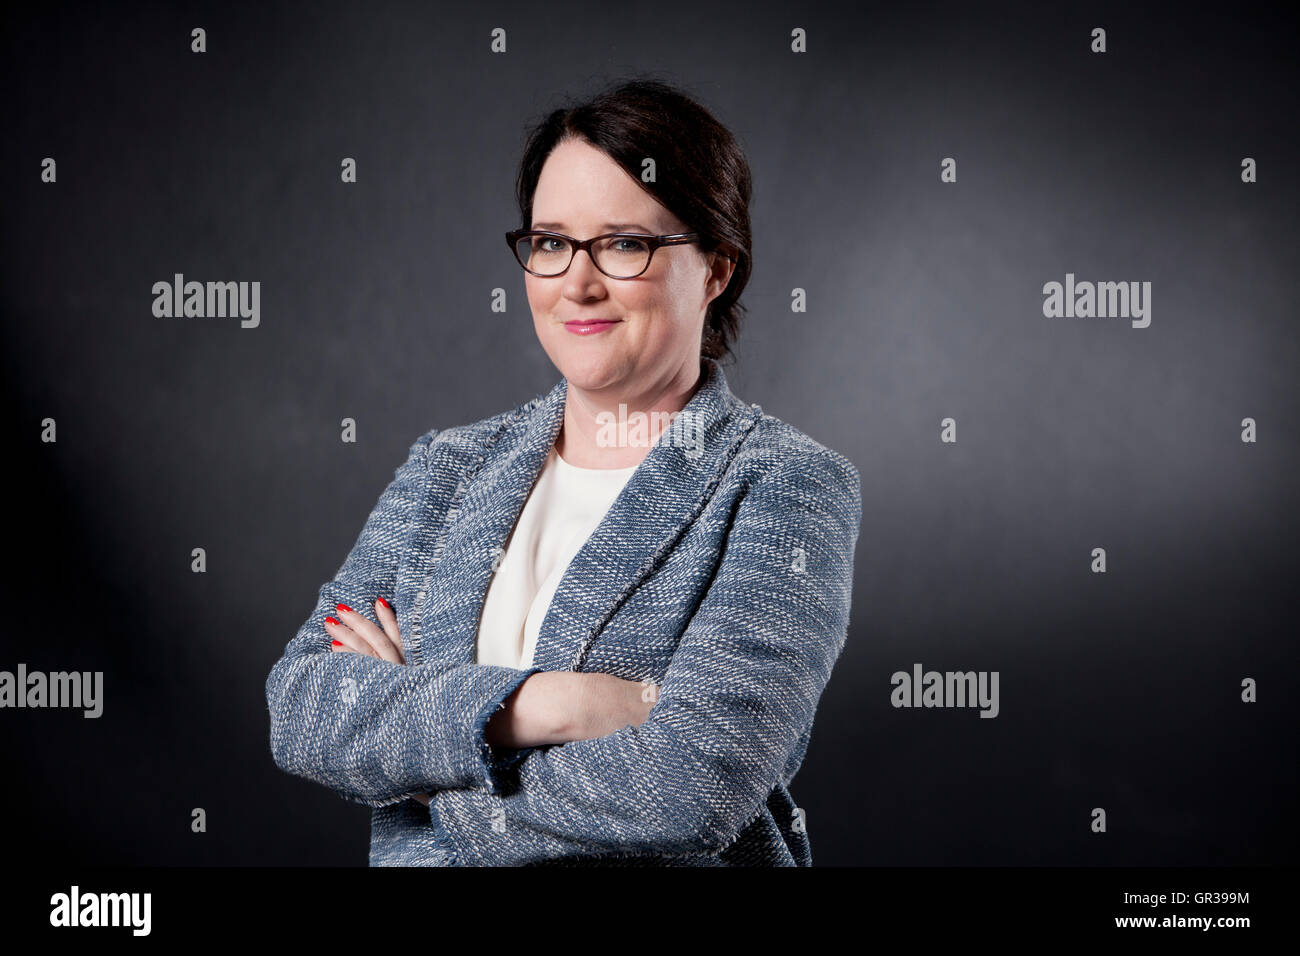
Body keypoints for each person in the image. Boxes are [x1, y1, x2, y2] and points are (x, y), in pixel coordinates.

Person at [264, 77, 862, 866]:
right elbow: (303, 707)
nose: (576, 282)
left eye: (624, 243)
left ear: (717, 267)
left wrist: (420, 766)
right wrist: (547, 705)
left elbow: (691, 790)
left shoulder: (786, 486)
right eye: (550, 242)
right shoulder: (449, 468)